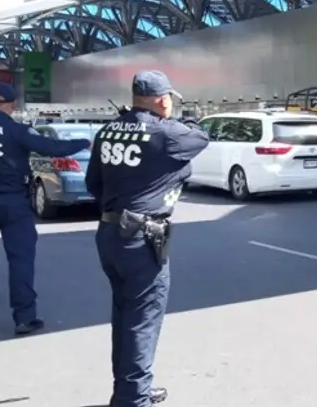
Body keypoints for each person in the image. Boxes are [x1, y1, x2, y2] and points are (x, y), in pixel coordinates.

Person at [85, 71, 209, 407]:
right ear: (163, 99)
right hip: (141, 238)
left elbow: (93, 185)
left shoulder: (108, 130)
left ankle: (128, 390)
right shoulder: (167, 133)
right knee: (142, 320)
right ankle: (134, 399)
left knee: (125, 314)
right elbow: (201, 137)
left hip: (109, 233)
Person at [0, 84, 90, 334]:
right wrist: (84, 142)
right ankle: (24, 317)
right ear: (12, 105)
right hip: (12, 203)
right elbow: (53, 148)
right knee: (20, 259)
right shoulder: (16, 130)